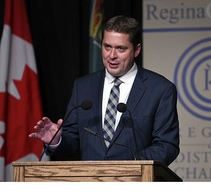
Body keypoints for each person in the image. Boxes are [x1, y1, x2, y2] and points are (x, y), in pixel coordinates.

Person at [29, 15, 180, 166]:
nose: (112, 55)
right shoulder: (83, 87)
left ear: (136, 50)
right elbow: (71, 145)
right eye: (107, 46)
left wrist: (129, 165)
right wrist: (57, 141)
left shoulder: (160, 90)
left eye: (120, 49)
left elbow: (167, 145)